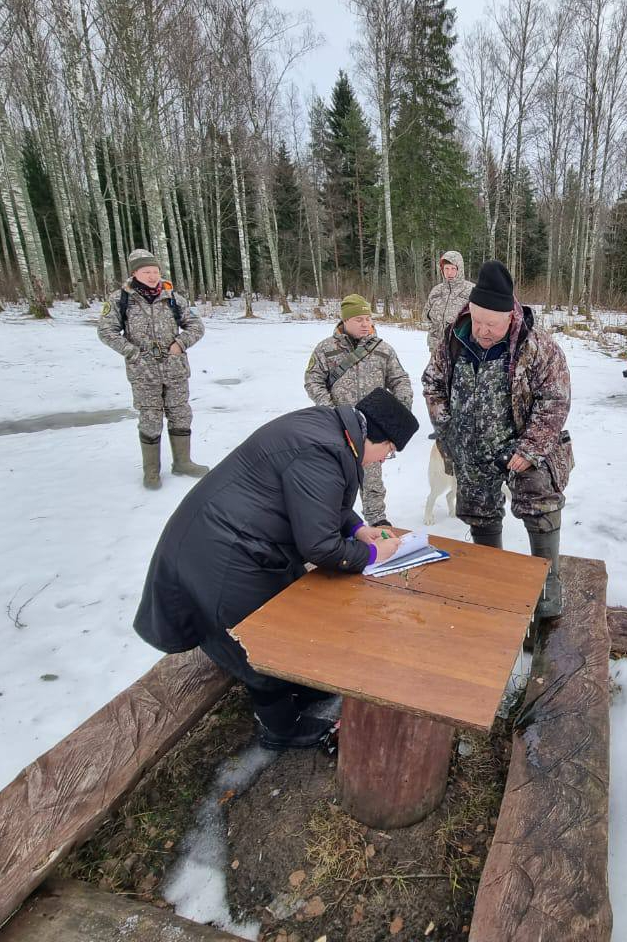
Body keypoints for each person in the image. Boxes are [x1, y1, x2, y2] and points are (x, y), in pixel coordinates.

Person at [132, 388, 420, 748]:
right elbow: (319, 546)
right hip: (222, 551)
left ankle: (295, 687)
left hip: (232, 538)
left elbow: (316, 499)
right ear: (375, 436)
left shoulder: (330, 429)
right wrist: (377, 554)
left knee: (291, 621)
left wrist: (358, 529)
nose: (381, 460)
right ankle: (280, 728)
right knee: (259, 639)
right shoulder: (324, 451)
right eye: (388, 452)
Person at [422, 260, 572, 626]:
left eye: (493, 324)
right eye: (478, 321)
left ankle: (547, 596)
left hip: (525, 447)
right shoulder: (453, 340)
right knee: (479, 513)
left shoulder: (538, 347)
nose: (484, 331)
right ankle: (494, 585)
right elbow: (432, 384)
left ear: (511, 316)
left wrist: (530, 448)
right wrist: (447, 428)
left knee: (541, 506)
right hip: (473, 446)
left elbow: (555, 401)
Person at [98, 249, 209, 489]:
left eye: (155, 271)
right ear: (135, 273)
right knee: (150, 419)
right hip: (143, 373)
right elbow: (106, 331)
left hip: (175, 369)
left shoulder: (173, 298)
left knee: (181, 414)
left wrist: (181, 344)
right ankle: (151, 471)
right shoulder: (121, 299)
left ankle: (183, 462)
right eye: (146, 271)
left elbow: (196, 326)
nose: (152, 276)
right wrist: (132, 352)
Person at [304, 294, 413, 526]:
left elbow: (400, 380)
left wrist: (398, 414)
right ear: (344, 321)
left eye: (368, 318)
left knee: (372, 476)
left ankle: (377, 520)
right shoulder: (326, 349)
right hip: (338, 426)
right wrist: (332, 411)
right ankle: (331, 522)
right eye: (359, 319)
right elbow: (313, 381)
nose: (365, 324)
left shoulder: (383, 349)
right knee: (335, 475)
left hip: (371, 428)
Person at [423, 250, 474, 354]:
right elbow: (425, 317)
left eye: (453, 268)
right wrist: (433, 335)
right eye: (446, 268)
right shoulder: (436, 291)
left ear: (459, 269)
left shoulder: (471, 291)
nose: (449, 272)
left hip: (461, 350)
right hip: (436, 349)